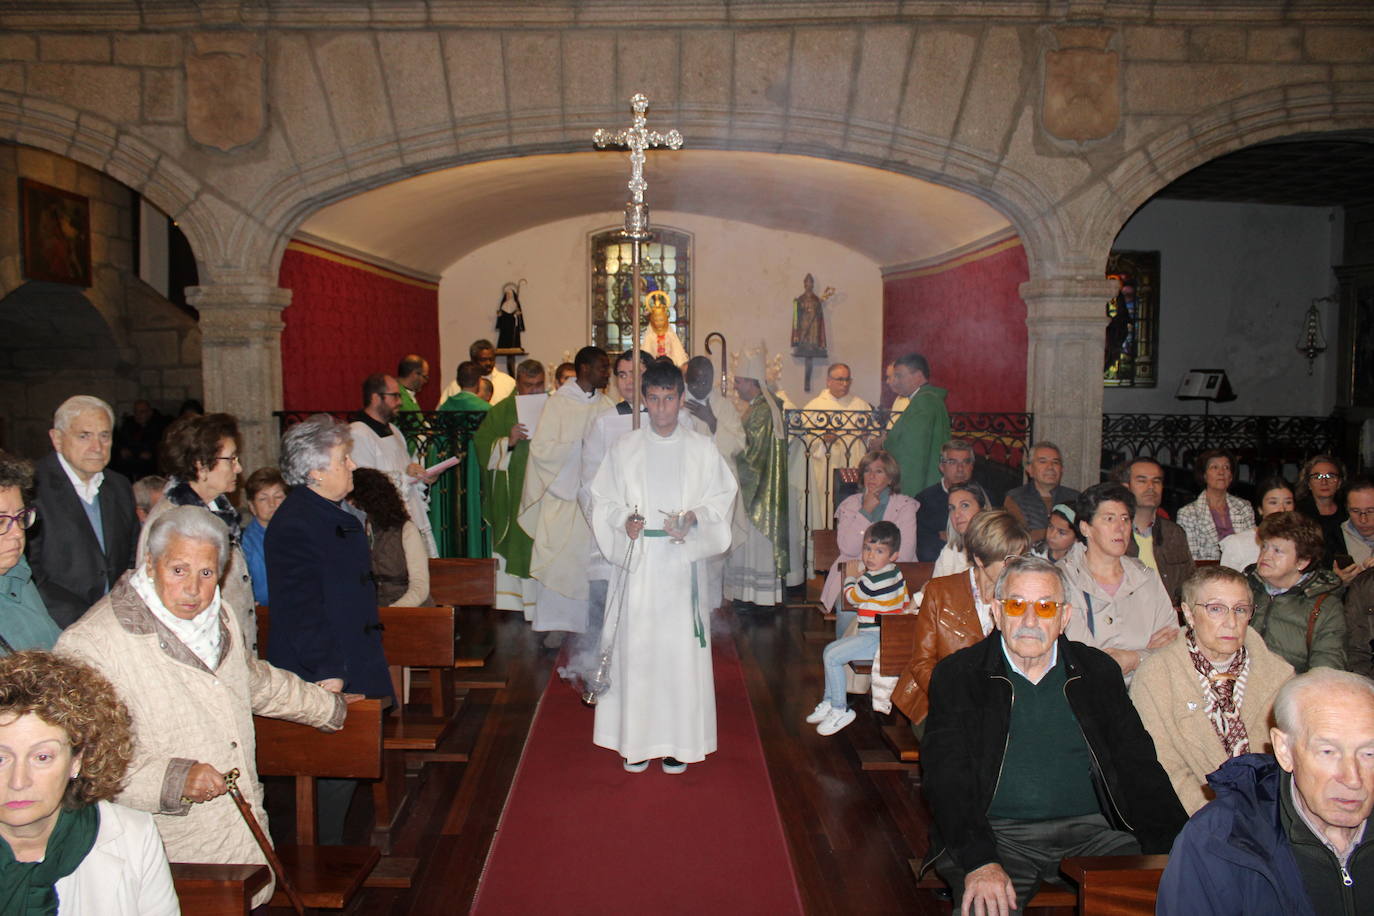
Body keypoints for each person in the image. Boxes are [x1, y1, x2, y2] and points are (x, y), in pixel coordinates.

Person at [55, 506, 351, 905]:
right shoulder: (93, 645)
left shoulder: (220, 616)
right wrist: (173, 780)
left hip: (242, 837)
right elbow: (78, 765)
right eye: (178, 570)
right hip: (168, 855)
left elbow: (252, 679)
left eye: (207, 573)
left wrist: (328, 707)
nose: (193, 589)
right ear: (150, 563)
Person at [921, 555, 1188, 914]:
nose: (1030, 620)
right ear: (997, 613)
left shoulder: (1096, 672)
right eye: (1016, 605)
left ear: (1064, 618)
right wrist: (979, 860)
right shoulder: (959, 676)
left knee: (1171, 896)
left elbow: (1138, 764)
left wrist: (1180, 846)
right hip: (997, 834)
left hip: (1095, 833)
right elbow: (946, 780)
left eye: (1046, 607)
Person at [588, 361, 737, 773]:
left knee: (677, 655)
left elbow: (721, 497)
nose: (661, 409)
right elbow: (603, 499)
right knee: (637, 652)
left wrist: (693, 519)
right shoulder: (625, 449)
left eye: (669, 399)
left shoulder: (701, 449)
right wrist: (623, 521)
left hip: (678, 564)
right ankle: (635, 742)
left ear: (681, 399)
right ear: (644, 400)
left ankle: (678, 742)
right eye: (652, 400)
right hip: (638, 564)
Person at [1156, 668, 1374, 915]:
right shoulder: (1219, 840)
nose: (1353, 779)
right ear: (1284, 750)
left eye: (1369, 754)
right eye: (1328, 752)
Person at [0, 650, 178, 915]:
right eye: (0, 758)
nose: (19, 781)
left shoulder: (133, 837)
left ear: (77, 761)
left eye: (42, 757)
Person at [1130, 566, 1295, 814]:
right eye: (1216, 609)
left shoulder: (1280, 676)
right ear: (1188, 613)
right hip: (1195, 819)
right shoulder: (1155, 677)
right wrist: (1219, 818)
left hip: (1273, 814)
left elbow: (1293, 763)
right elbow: (1165, 766)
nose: (1231, 622)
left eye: (1240, 610)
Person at [892, 510, 1029, 734]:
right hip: (938, 701)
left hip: (1000, 707)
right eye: (1007, 560)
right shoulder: (940, 592)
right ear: (980, 559)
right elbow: (922, 663)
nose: (1015, 567)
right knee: (962, 740)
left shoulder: (1020, 599)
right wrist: (956, 699)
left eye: (1019, 558)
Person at [518, 346, 613, 645]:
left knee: (589, 563)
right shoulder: (558, 404)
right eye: (602, 367)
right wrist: (578, 446)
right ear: (584, 369)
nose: (607, 373)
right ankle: (557, 625)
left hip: (593, 498)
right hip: (563, 497)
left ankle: (591, 625)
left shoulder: (607, 405)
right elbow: (542, 449)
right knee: (560, 560)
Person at [137, 412, 255, 650]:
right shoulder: (171, 522)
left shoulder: (216, 510)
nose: (239, 468)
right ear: (200, 465)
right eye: (230, 459)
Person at [27, 396, 139, 629]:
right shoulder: (32, 488)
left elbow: (131, 557)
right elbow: (30, 571)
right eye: (84, 436)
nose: (97, 447)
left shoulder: (118, 486)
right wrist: (87, 622)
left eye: (104, 436)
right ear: (57, 439)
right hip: (54, 625)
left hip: (114, 623)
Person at [1061, 482, 1180, 684]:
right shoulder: (1063, 577)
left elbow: (1172, 645)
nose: (1120, 527)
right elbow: (1081, 658)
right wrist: (1147, 652)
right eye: (1109, 519)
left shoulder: (1146, 578)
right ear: (1085, 528)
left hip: (1147, 689)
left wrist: (1135, 658)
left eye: (1125, 519)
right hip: (1088, 695)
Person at [807, 521, 909, 735]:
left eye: (879, 551)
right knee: (831, 651)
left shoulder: (873, 578)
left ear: (893, 556)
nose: (871, 556)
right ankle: (830, 702)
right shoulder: (895, 572)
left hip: (876, 638)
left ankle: (839, 709)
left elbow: (852, 597)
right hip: (884, 635)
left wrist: (851, 577)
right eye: (867, 549)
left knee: (832, 656)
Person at [474, 359, 546, 616]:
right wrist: (508, 441)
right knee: (519, 539)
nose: (535, 392)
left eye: (539, 386)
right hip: (514, 493)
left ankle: (547, 607)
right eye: (529, 386)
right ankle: (514, 603)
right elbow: (482, 445)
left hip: (546, 491)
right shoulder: (502, 410)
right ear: (518, 383)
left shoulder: (554, 407)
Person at [817, 450, 917, 634]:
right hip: (853, 577)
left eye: (879, 471)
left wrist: (872, 574)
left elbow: (905, 553)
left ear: (890, 477)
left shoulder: (905, 505)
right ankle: (848, 658)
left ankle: (882, 657)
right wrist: (864, 512)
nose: (871, 476)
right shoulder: (850, 504)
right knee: (846, 607)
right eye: (867, 471)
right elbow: (847, 547)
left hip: (892, 578)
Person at [723, 346, 789, 607]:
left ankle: (754, 597)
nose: (735, 387)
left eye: (738, 381)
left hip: (758, 493)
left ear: (751, 382)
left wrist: (727, 455)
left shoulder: (763, 411)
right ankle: (747, 595)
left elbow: (752, 455)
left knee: (753, 545)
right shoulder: (759, 406)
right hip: (759, 489)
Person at [349, 372, 437, 557]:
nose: (400, 401)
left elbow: (403, 471)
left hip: (410, 515)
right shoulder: (358, 433)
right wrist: (407, 477)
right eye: (394, 396)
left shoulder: (395, 431)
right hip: (386, 526)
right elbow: (366, 484)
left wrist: (422, 477)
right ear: (375, 398)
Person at [1246, 510, 1345, 674]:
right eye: (1265, 547)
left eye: (1277, 551)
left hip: (1291, 692)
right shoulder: (1245, 587)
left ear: (1302, 561)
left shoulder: (1325, 607)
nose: (1266, 556)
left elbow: (1327, 670)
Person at [802, 363, 872, 547]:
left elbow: (871, 439)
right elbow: (805, 442)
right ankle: (824, 549)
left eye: (847, 379)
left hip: (853, 469)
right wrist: (823, 440)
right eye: (840, 379)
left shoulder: (860, 405)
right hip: (825, 470)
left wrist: (867, 437)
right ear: (828, 381)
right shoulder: (814, 407)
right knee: (826, 508)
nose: (845, 384)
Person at [0, 452, 59, 655]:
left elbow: (52, 642)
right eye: (0, 521)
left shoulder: (18, 570)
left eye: (20, 517)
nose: (17, 532)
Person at [350, 467, 431, 606]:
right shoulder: (351, 532)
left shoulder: (406, 530)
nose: (349, 506)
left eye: (352, 501)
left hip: (408, 611)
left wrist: (393, 612)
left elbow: (420, 587)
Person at [1121, 456, 1194, 604]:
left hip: (1170, 617)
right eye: (1142, 481)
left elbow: (1190, 585)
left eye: (1156, 481)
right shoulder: (1115, 532)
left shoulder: (1174, 533)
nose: (1151, 487)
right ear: (1126, 487)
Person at [881, 352, 950, 494]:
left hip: (917, 485)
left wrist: (883, 444)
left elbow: (913, 452)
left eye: (899, 376)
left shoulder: (923, 403)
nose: (895, 381)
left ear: (918, 376)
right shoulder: (927, 400)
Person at [1177, 449, 1257, 561]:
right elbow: (1191, 559)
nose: (1221, 472)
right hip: (1206, 574)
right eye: (1215, 467)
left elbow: (1252, 549)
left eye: (1226, 467)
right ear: (1204, 475)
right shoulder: (1188, 514)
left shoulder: (1244, 507)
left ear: (1231, 476)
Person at [1003, 441, 1080, 542]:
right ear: (1030, 469)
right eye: (1043, 461)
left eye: (1055, 462)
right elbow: (1018, 538)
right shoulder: (1015, 498)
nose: (1050, 467)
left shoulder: (1075, 498)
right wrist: (1061, 532)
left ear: (1062, 469)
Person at [913, 439, 976, 563]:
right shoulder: (924, 500)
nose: (960, 469)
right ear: (942, 466)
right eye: (953, 462)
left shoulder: (985, 497)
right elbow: (925, 550)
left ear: (972, 466)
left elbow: (990, 544)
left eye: (966, 462)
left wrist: (950, 538)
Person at [1337, 479, 1374, 677]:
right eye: (1356, 512)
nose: (1363, 519)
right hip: (1356, 634)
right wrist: (1339, 584)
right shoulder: (1333, 537)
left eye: (1371, 511)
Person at [1220, 476, 1295, 572]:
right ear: (1260, 509)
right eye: (1273, 502)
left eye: (1288, 502)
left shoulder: (1301, 541)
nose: (1282, 509)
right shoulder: (1237, 543)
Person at [240, 466, 286, 608]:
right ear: (252, 506)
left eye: (278, 497)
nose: (272, 504)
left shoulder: (302, 532)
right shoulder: (246, 543)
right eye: (263, 499)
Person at [1294, 454, 1347, 566]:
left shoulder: (1348, 511)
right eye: (1317, 477)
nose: (1324, 482)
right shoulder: (1298, 514)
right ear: (1308, 483)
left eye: (1330, 476)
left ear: (1339, 482)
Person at [931, 482, 989, 579]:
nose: (956, 514)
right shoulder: (950, 551)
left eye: (964, 505)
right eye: (952, 508)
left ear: (982, 509)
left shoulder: (998, 549)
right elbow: (933, 591)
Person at [441, 339, 515, 406]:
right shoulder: (456, 385)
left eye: (491, 359)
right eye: (483, 360)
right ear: (473, 360)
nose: (488, 363)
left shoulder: (508, 383)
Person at [111, 398, 166, 481]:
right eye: (136, 412)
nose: (138, 415)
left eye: (142, 412)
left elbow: (156, 443)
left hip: (149, 462)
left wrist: (149, 452)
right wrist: (122, 449)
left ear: (149, 412)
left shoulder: (158, 426)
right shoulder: (129, 424)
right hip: (130, 458)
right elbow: (121, 440)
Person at [639, 292, 688, 367]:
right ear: (653, 321)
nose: (659, 323)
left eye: (661, 320)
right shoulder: (650, 336)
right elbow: (646, 354)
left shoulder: (670, 335)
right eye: (656, 320)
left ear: (665, 320)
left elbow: (678, 356)